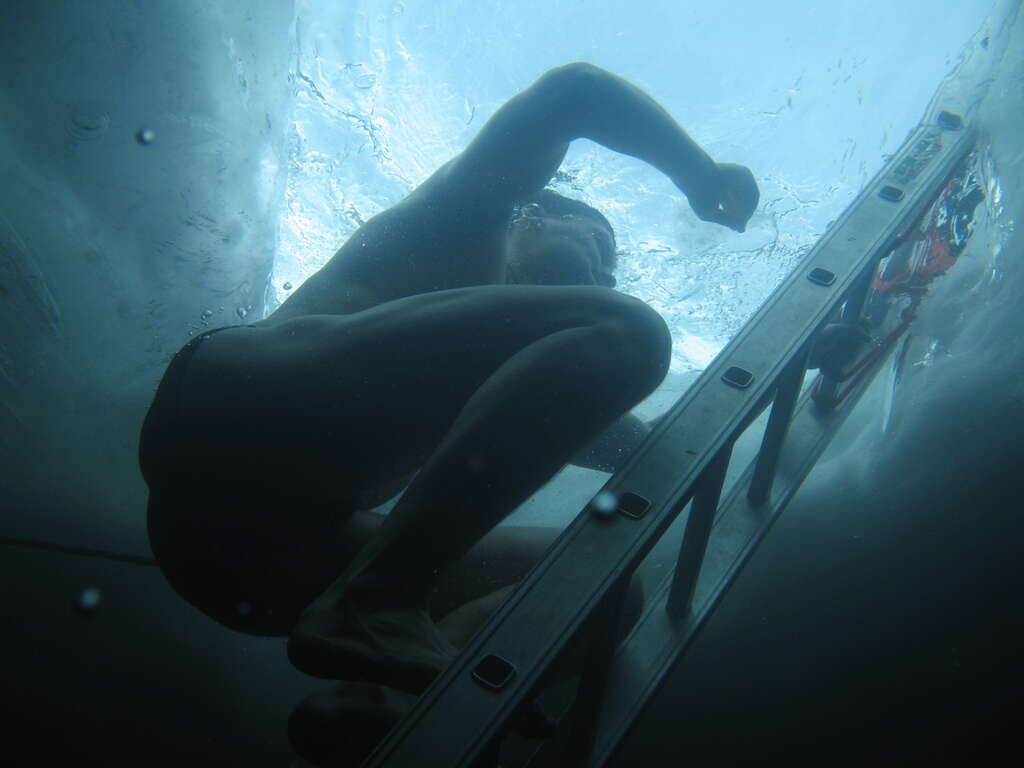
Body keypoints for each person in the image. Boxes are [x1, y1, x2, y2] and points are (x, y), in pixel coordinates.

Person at [139, 63, 758, 705]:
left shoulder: (537, 375)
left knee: (599, 588)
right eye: (600, 244)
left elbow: (652, 453)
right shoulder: (463, 220)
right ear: (531, 218)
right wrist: (698, 174)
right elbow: (575, 92)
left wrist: (802, 369)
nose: (606, 273)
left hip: (237, 560)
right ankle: (378, 601)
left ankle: (364, 704)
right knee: (634, 332)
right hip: (235, 404)